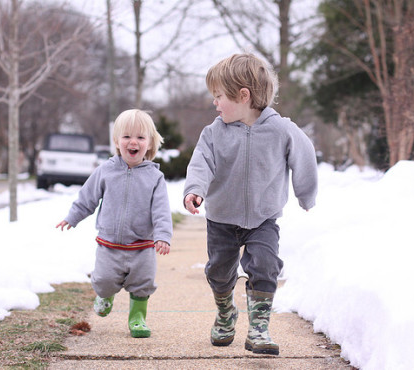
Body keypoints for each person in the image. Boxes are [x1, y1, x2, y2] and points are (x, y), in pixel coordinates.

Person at [183, 53, 318, 355]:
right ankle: (226, 312)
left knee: (265, 267)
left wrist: (305, 193)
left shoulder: (281, 130)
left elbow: (305, 155)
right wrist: (195, 189)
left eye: (218, 96)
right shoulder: (214, 133)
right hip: (221, 219)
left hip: (263, 219)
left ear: (243, 95)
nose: (214, 103)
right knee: (219, 272)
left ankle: (259, 330)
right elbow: (200, 164)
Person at [56, 109, 172, 338]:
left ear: (149, 143)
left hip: (142, 246)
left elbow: (161, 211)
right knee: (104, 280)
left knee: (143, 283)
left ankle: (137, 318)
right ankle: (105, 296)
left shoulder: (155, 178)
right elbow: (87, 197)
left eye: (140, 137)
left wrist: (163, 236)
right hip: (109, 245)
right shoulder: (105, 171)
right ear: (117, 141)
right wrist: (73, 216)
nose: (133, 142)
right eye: (127, 136)